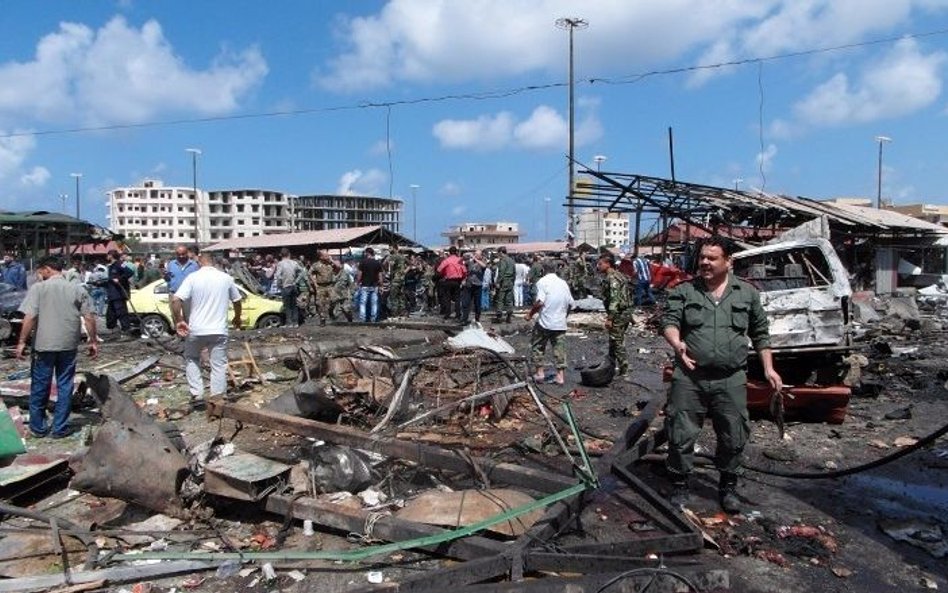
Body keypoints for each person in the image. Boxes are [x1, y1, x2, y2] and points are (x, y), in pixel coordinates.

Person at [661, 237, 783, 514]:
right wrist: (676, 343)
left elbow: (760, 333)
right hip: (690, 375)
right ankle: (680, 484)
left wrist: (768, 368)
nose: (704, 262)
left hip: (731, 378)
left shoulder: (747, 294)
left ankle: (727, 487)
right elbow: (669, 322)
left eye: (712, 258)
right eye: (702, 257)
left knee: (733, 433)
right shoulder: (684, 291)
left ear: (729, 261)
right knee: (680, 431)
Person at [16, 256, 97, 438]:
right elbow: (89, 317)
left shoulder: (39, 289)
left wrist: (21, 341)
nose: (39, 274)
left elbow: (29, 317)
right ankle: (60, 428)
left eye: (40, 271)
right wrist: (93, 341)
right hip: (68, 345)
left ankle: (38, 428)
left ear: (47, 269)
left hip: (44, 345)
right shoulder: (76, 289)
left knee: (40, 386)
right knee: (65, 385)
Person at [171, 251, 242, 408]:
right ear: (214, 262)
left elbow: (176, 300)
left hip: (196, 329)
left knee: (191, 358)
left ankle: (197, 394)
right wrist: (237, 317)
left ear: (199, 263)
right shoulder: (226, 278)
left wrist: (179, 321)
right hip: (218, 329)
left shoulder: (193, 278)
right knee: (218, 364)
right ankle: (217, 400)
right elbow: (237, 300)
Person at [526, 259, 574, 385]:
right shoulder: (563, 283)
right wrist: (564, 316)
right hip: (560, 322)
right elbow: (570, 303)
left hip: (545, 321)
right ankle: (560, 376)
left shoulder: (542, 282)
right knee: (559, 349)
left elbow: (540, 302)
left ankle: (540, 373)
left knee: (538, 347)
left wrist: (530, 314)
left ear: (543, 270)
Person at [597, 253, 633, 380]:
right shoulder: (619, 275)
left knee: (617, 342)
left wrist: (610, 318)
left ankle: (624, 370)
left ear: (608, 264)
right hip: (624, 312)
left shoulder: (612, 278)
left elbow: (615, 299)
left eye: (600, 263)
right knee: (614, 341)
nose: (598, 266)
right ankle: (610, 367)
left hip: (618, 314)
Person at [104, 249, 134, 336]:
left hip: (119, 294)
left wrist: (120, 279)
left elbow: (130, 272)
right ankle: (114, 330)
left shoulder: (120, 263)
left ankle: (126, 330)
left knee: (122, 313)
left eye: (108, 255)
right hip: (112, 294)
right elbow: (111, 280)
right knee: (110, 314)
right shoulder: (111, 266)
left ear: (111, 255)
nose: (107, 256)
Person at [273, 248, 303, 327]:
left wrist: (279, 284)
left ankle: (289, 323)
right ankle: (295, 323)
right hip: (293, 286)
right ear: (289, 254)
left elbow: (278, 276)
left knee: (287, 306)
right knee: (294, 305)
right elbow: (302, 271)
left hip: (285, 286)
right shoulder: (294, 263)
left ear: (281, 255)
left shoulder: (280, 264)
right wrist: (296, 281)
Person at [436, 246, 466, 321]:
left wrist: (444, 273)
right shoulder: (460, 260)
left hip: (448, 280)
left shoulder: (447, 260)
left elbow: (439, 269)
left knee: (447, 298)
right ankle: (458, 314)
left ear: (449, 252)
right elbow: (465, 271)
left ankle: (447, 314)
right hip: (457, 281)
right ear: (456, 252)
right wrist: (463, 278)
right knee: (457, 298)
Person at [356, 247, 383, 322]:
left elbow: (359, 275)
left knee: (363, 303)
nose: (364, 254)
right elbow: (380, 276)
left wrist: (357, 283)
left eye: (365, 253)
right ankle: (373, 318)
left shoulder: (362, 262)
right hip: (374, 286)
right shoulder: (377, 263)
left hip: (364, 286)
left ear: (367, 253)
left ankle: (362, 318)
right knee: (374, 303)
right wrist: (381, 285)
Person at [460, 250, 487, 324]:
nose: (476, 255)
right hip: (469, 284)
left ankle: (477, 319)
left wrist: (476, 259)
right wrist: (465, 256)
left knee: (477, 303)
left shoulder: (482, 261)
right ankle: (464, 319)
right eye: (475, 254)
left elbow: (484, 266)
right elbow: (461, 263)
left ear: (481, 256)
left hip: (478, 285)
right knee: (466, 302)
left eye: (478, 255)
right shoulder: (470, 262)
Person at [310, 251, 335, 325]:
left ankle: (331, 313)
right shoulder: (316, 265)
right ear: (321, 257)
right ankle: (322, 319)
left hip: (330, 285)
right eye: (326, 255)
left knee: (333, 300)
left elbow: (339, 267)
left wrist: (331, 260)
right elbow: (310, 273)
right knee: (320, 303)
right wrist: (315, 284)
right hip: (320, 286)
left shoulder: (331, 263)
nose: (328, 256)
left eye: (328, 255)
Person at [493, 246, 515, 323]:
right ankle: (509, 316)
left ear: (501, 252)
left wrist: (498, 282)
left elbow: (501, 272)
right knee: (509, 300)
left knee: (500, 299)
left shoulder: (503, 260)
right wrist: (513, 281)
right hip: (510, 281)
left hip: (504, 281)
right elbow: (514, 272)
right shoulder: (511, 260)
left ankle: (499, 317)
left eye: (499, 253)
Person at [386, 245, 408, 318]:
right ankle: (402, 312)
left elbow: (386, 264)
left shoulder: (393, 256)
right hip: (402, 279)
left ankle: (394, 313)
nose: (389, 249)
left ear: (395, 248)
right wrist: (404, 272)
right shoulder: (403, 256)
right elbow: (410, 264)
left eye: (390, 248)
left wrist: (388, 271)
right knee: (401, 296)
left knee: (393, 296)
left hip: (395, 279)